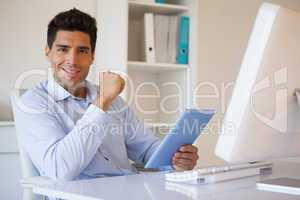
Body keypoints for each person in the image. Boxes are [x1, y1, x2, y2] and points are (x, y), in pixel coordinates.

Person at [15, 8, 199, 181]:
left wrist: (176, 159)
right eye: (63, 49)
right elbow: (60, 169)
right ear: (48, 52)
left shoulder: (113, 100)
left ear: (92, 56)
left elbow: (147, 150)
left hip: (129, 189)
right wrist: (102, 102)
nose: (72, 60)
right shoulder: (33, 103)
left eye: (82, 51)